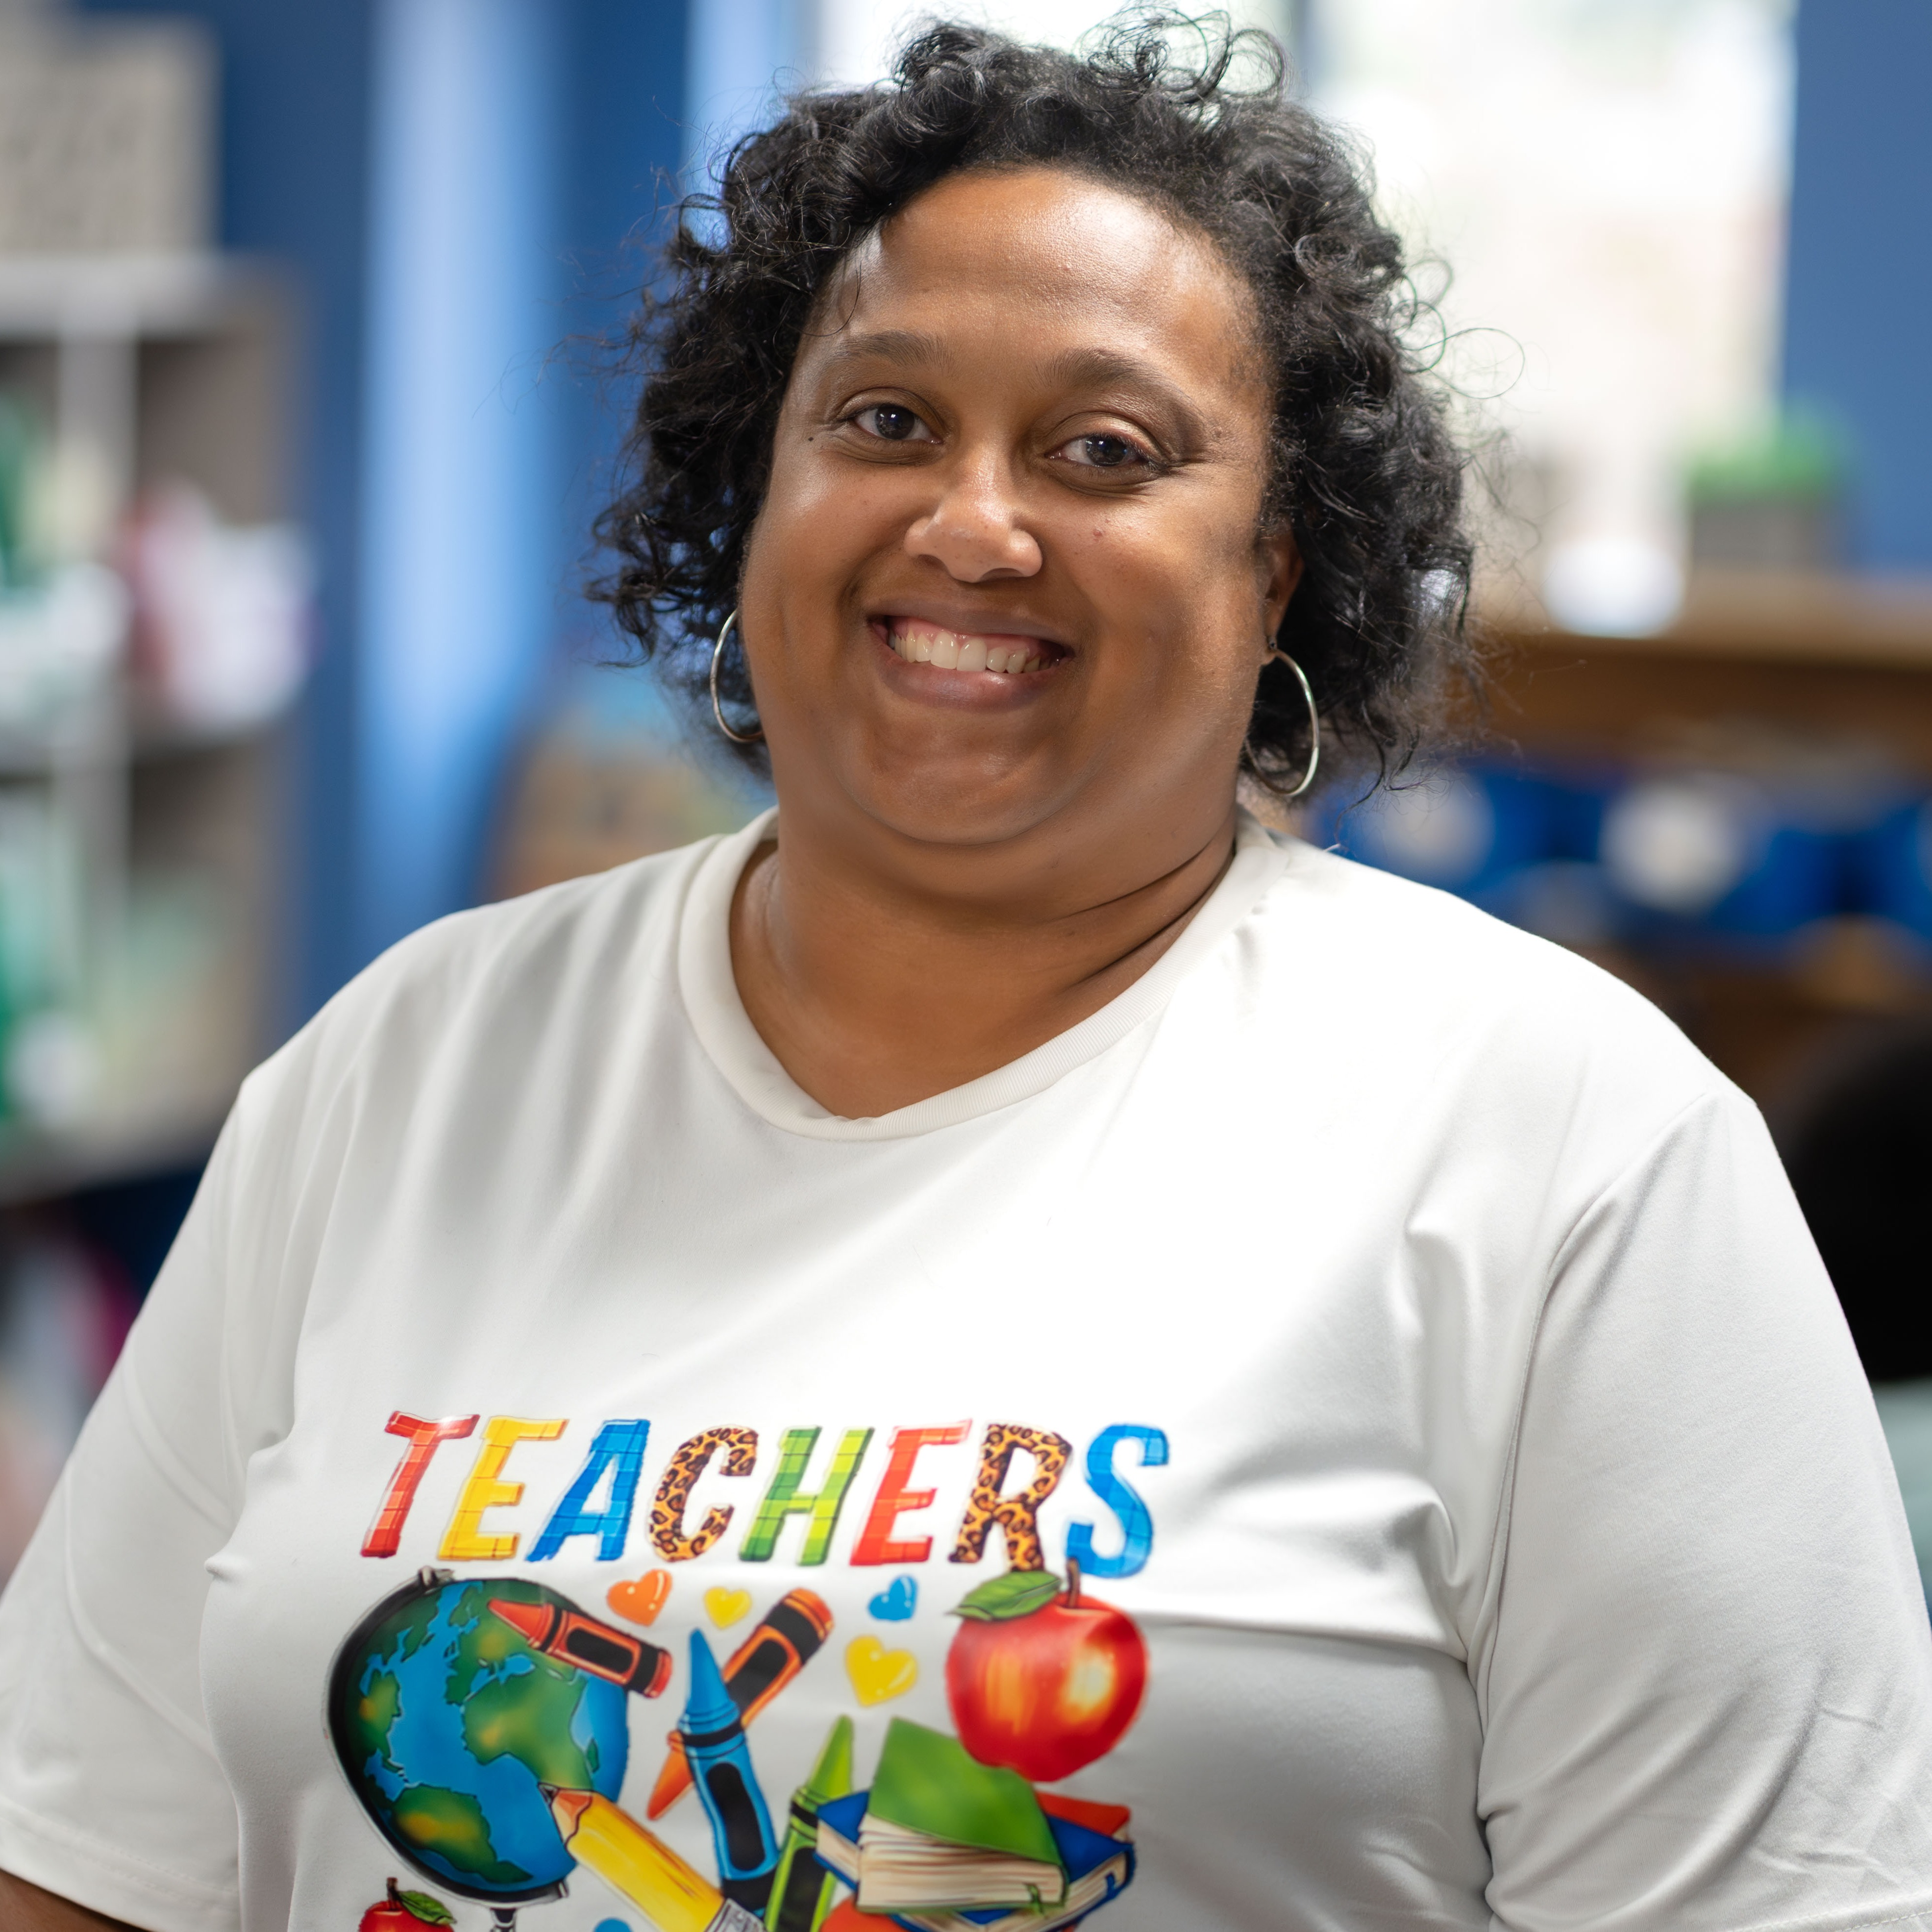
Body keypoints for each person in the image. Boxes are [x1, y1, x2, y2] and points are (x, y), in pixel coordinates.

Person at [1, 18, 1928, 1932]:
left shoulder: (1567, 1140)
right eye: (885, 420)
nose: (971, 523)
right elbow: (85, 1853)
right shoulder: (399, 1065)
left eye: (1104, 449)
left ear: (1273, 564)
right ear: (751, 484)